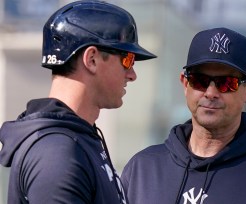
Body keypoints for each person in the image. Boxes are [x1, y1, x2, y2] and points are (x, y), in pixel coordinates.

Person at [121, 27, 246, 204]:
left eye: (226, 83)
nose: (211, 93)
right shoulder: (142, 168)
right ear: (185, 84)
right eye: (199, 80)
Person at [0, 1, 156, 203]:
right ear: (91, 59)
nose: (132, 74)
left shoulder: (77, 139)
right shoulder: (56, 154)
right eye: (127, 59)